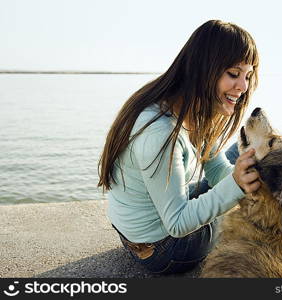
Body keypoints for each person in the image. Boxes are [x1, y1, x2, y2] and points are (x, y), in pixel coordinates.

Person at [98, 20, 260, 275]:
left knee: (240, 155)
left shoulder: (187, 108)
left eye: (247, 76)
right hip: (164, 250)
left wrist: (242, 182)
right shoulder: (160, 133)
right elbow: (177, 223)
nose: (243, 86)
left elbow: (217, 169)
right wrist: (240, 185)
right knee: (246, 167)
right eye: (233, 73)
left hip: (143, 227)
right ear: (203, 69)